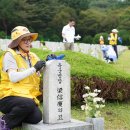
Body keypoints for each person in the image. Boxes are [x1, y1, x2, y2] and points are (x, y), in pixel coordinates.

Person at [0, 26, 46, 130]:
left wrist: (50, 61)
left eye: (29, 39)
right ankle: (4, 123)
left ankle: (13, 119)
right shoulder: (10, 55)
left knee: (37, 117)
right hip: (7, 97)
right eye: (24, 40)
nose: (28, 42)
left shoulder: (32, 56)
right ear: (17, 42)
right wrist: (34, 68)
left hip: (25, 97)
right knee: (28, 104)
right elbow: (13, 78)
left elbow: (41, 68)